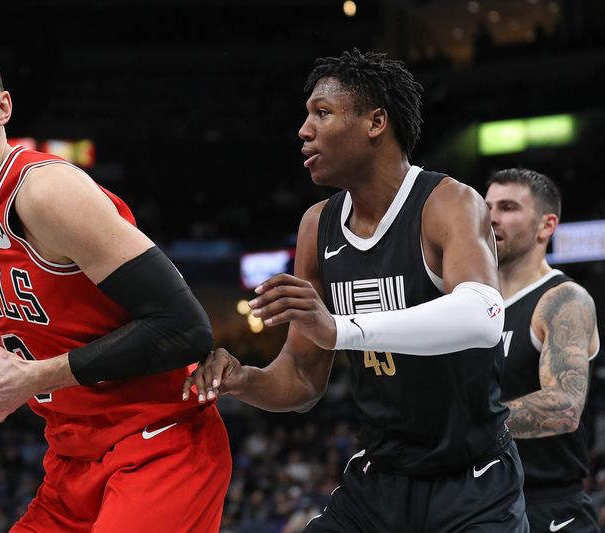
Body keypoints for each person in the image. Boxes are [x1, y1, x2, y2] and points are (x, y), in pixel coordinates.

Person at [184, 49, 528, 532]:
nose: (304, 131)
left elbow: (483, 317)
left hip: (471, 482)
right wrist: (243, 380)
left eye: (322, 113)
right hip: (378, 483)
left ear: (376, 122)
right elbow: (302, 380)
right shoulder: (316, 225)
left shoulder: (447, 202)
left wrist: (339, 329)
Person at [0, 37, 231, 532]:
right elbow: (62, 310)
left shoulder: (43, 192)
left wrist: (30, 380)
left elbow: (185, 328)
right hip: (72, 457)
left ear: (2, 108)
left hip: (159, 441)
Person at [486, 168, 600, 533]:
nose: (490, 217)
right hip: (476, 502)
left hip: (547, 505)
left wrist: (469, 423)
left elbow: (565, 407)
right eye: (486, 206)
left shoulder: (563, 299)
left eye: (507, 207)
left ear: (546, 226)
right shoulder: (468, 301)